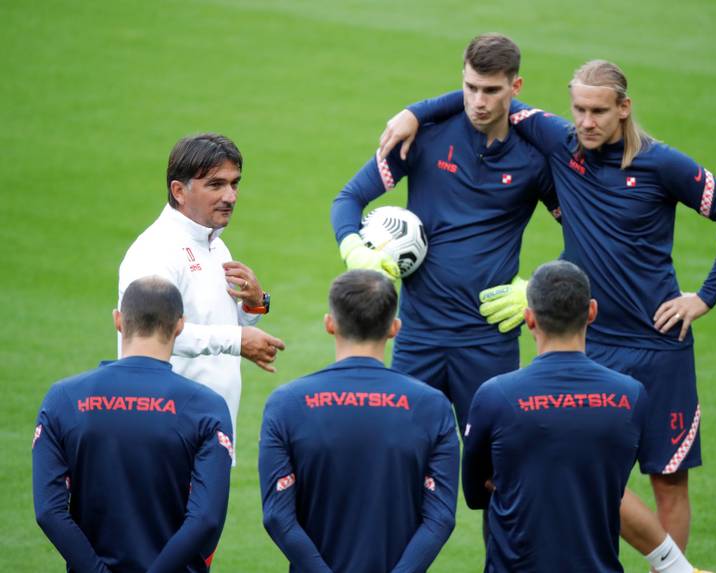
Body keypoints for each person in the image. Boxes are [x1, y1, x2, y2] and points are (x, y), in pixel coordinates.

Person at [381, 58, 716, 551]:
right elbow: (490, 99)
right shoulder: (560, 143)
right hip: (591, 344)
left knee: (668, 481)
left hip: (659, 345)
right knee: (591, 474)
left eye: (599, 111)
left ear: (624, 108)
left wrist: (703, 297)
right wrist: (415, 112)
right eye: (578, 109)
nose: (587, 122)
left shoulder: (662, 164)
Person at [330, 33, 559, 437]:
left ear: (515, 87)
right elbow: (349, 198)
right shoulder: (424, 136)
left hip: (489, 341)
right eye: (470, 88)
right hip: (418, 336)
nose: (478, 101)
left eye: (491, 90)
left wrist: (537, 288)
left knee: (495, 474)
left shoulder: (534, 159)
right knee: (401, 458)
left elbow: (586, 234)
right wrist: (355, 249)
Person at [259, 270, 458, 573]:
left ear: (330, 324)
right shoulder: (432, 406)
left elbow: (277, 516)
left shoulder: (286, 404)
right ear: (394, 328)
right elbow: (440, 517)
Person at [464, 260, 656, 572]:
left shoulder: (495, 395)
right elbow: (612, 479)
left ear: (529, 319)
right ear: (592, 312)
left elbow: (475, 494)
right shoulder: (631, 396)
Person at [33, 276, 233, 573]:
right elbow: (205, 518)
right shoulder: (207, 408)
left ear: (118, 320)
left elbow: (49, 511)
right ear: (179, 325)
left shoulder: (63, 399)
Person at [118, 133, 285, 448]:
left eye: (234, 184)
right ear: (179, 191)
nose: (231, 196)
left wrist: (255, 304)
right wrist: (236, 342)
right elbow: (152, 336)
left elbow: (219, 323)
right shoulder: (156, 251)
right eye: (215, 184)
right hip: (163, 431)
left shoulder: (215, 244)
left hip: (208, 429)